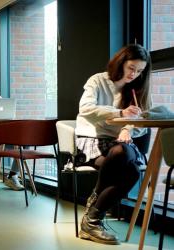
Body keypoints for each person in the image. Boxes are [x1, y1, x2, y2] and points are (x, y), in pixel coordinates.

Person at [75, 44, 151, 245]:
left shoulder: (137, 89)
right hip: (93, 140)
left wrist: (128, 128)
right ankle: (93, 219)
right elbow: (85, 109)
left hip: (120, 143)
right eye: (131, 68)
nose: (134, 74)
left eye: (140, 71)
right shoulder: (98, 80)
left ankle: (91, 219)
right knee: (125, 160)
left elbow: (142, 124)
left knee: (127, 160)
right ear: (121, 63)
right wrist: (120, 113)